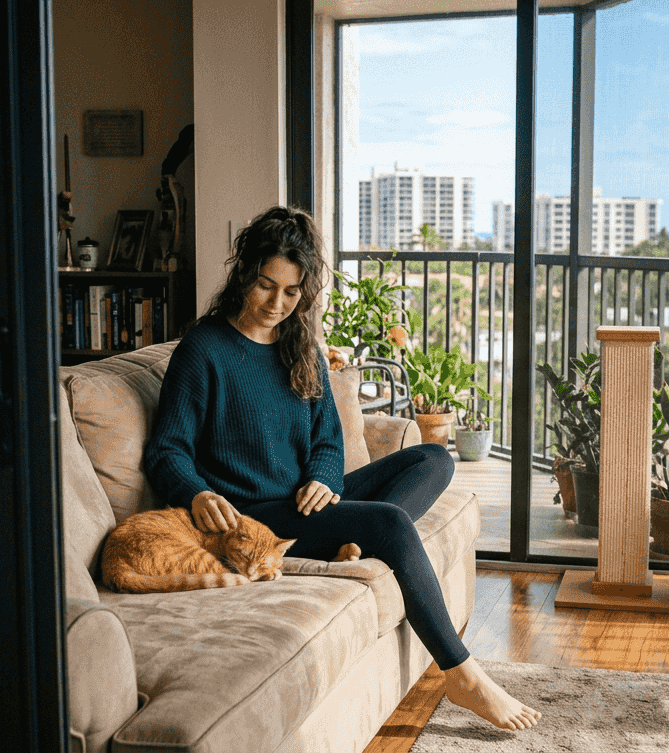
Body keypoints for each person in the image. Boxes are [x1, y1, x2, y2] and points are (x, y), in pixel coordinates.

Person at [143, 206, 541, 731]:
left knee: (434, 457)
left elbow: (327, 439)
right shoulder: (205, 349)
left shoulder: (299, 345)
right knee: (392, 524)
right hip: (257, 520)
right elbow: (166, 450)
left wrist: (326, 481)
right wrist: (194, 492)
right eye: (266, 285)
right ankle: (461, 672)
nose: (276, 304)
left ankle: (345, 537)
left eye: (291, 293)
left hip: (304, 501)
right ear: (244, 273)